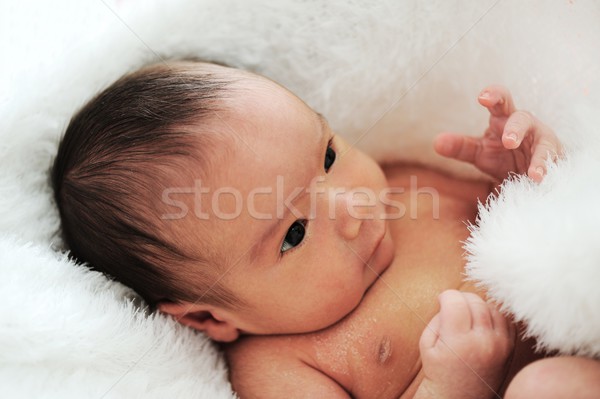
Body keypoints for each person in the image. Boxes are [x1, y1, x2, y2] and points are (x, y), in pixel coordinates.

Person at [52, 60, 600, 398]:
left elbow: (549, 224)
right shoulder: (282, 367)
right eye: (293, 232)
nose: (353, 206)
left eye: (330, 155)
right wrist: (448, 387)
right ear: (207, 315)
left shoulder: (409, 183)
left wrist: (524, 172)